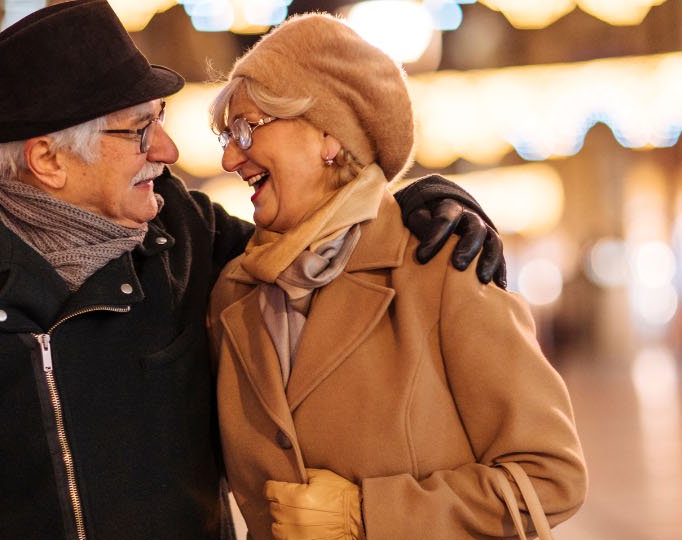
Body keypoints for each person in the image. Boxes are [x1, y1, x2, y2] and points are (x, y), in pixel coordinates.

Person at [0, 1, 506, 538]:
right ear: (49, 159)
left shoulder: (182, 235)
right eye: (137, 129)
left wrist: (422, 203)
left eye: (159, 117)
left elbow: (322, 241)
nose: (167, 148)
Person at [202, 14, 586, 539]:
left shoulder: (441, 273)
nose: (228, 157)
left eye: (246, 128)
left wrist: (367, 515)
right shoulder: (232, 296)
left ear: (327, 136)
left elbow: (551, 477)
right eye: (226, 134)